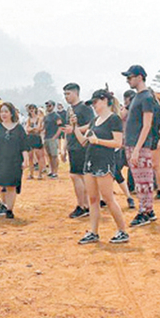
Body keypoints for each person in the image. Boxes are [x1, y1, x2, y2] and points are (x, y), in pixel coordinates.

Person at [77, 89, 130, 244]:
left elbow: (118, 143)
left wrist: (98, 141)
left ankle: (122, 231)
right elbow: (84, 141)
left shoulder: (114, 119)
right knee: (93, 199)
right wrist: (74, 127)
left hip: (104, 162)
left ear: (105, 100)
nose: (93, 106)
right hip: (90, 161)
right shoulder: (95, 120)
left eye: (95, 102)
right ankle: (93, 232)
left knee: (108, 198)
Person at [122, 65, 158, 227]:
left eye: (130, 77)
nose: (128, 80)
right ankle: (148, 210)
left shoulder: (146, 97)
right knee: (140, 180)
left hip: (140, 145)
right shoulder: (138, 97)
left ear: (140, 77)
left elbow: (147, 125)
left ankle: (144, 211)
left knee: (144, 180)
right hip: (133, 144)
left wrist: (137, 149)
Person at [0, 102, 29, 221]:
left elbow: (24, 146)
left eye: (6, 111)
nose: (3, 114)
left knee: (11, 187)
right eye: (1, 112)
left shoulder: (19, 128)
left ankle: (9, 210)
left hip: (14, 161)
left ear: (11, 113)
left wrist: (26, 160)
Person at [63, 83, 95, 219]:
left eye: (68, 94)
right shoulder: (70, 109)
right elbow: (67, 130)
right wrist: (64, 148)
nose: (66, 97)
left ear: (76, 93)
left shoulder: (84, 108)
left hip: (82, 146)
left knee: (78, 176)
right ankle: (84, 205)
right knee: (78, 176)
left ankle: (83, 205)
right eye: (65, 94)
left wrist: (76, 129)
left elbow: (92, 124)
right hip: (72, 146)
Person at [25, 104, 46, 179]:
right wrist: (33, 129)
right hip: (30, 138)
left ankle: (40, 174)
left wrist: (32, 129)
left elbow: (39, 128)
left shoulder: (39, 118)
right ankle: (31, 174)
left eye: (33, 108)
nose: (31, 110)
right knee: (30, 157)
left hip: (36, 137)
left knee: (39, 156)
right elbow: (27, 129)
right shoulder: (28, 119)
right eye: (30, 108)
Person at [43, 100, 63, 178]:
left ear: (53, 106)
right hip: (47, 137)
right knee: (49, 155)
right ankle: (51, 170)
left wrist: (55, 137)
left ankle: (55, 172)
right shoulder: (46, 116)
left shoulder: (56, 116)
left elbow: (60, 127)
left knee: (54, 156)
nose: (48, 107)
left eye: (49, 106)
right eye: (47, 106)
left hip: (53, 138)